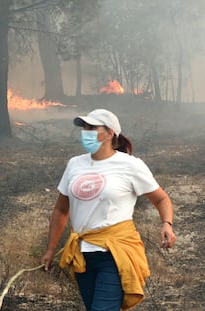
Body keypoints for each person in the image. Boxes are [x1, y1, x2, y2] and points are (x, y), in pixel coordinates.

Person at [40, 108, 176, 311]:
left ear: (110, 132)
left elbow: (161, 198)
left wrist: (167, 223)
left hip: (115, 253)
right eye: (84, 128)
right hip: (82, 255)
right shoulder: (75, 164)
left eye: (92, 127)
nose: (85, 132)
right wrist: (50, 249)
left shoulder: (130, 165)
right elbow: (61, 209)